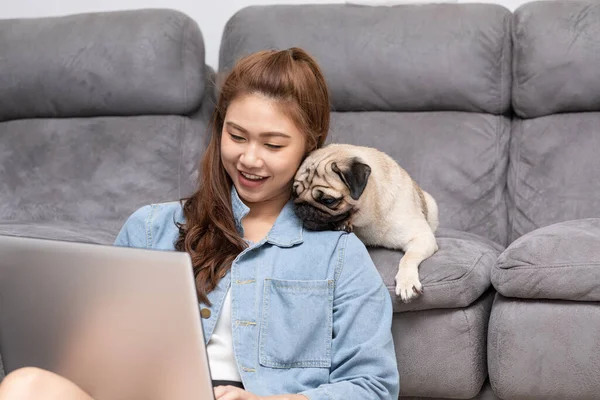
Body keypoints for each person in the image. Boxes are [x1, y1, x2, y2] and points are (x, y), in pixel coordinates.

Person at [0, 47, 400, 400]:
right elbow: (96, 357)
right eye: (237, 136)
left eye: (273, 145)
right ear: (219, 128)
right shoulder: (151, 226)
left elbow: (373, 386)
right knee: (25, 385)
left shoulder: (339, 254)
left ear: (310, 146)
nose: (250, 159)